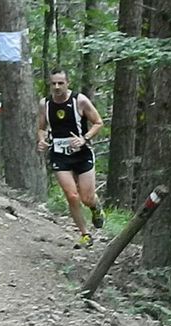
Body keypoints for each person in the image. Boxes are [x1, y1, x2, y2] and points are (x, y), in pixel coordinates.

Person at [37, 67, 105, 248]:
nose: (57, 87)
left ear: (68, 83)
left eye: (61, 83)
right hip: (59, 154)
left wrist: (84, 139)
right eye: (53, 84)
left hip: (82, 154)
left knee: (86, 198)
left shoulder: (79, 101)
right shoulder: (46, 104)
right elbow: (41, 127)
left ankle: (95, 206)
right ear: (49, 85)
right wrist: (42, 141)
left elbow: (98, 123)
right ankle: (85, 234)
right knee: (72, 195)